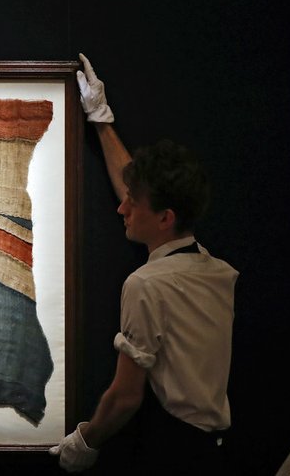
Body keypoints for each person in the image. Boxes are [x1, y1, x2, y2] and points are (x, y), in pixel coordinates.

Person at [49, 54, 239, 474]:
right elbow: (135, 186)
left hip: (171, 452)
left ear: (165, 217)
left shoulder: (146, 284)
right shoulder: (214, 271)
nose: (121, 208)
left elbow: (125, 396)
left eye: (132, 203)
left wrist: (85, 441)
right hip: (212, 453)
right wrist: (100, 119)